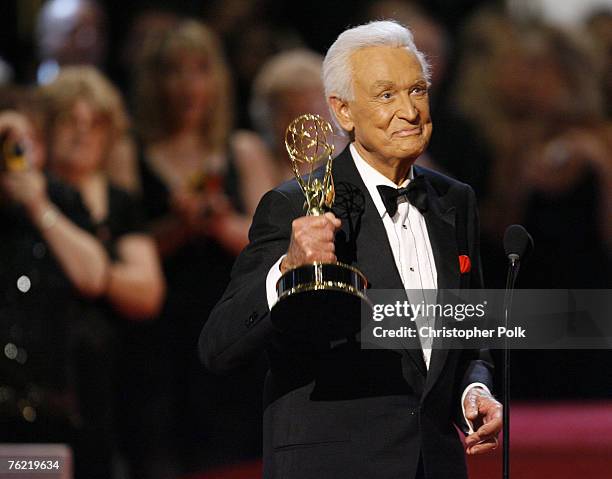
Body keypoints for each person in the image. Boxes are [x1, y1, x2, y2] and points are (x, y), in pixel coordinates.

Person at [200, 20, 501, 479]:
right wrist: (287, 270)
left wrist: (473, 392)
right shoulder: (294, 205)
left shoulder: (455, 202)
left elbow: (468, 336)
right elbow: (217, 346)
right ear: (343, 112)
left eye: (417, 91)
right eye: (386, 95)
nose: (410, 111)